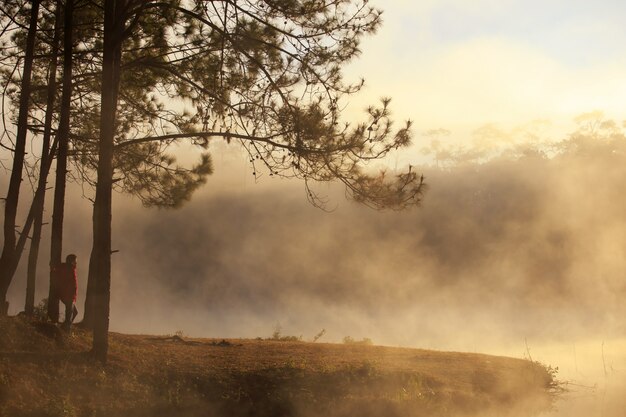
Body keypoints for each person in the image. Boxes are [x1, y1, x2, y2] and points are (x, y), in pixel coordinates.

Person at [54, 254, 79, 331]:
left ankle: (65, 326)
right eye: (75, 261)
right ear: (72, 261)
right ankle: (66, 329)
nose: (76, 263)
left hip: (68, 294)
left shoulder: (68, 268)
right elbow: (69, 282)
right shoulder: (69, 269)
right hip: (68, 295)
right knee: (70, 313)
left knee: (74, 312)